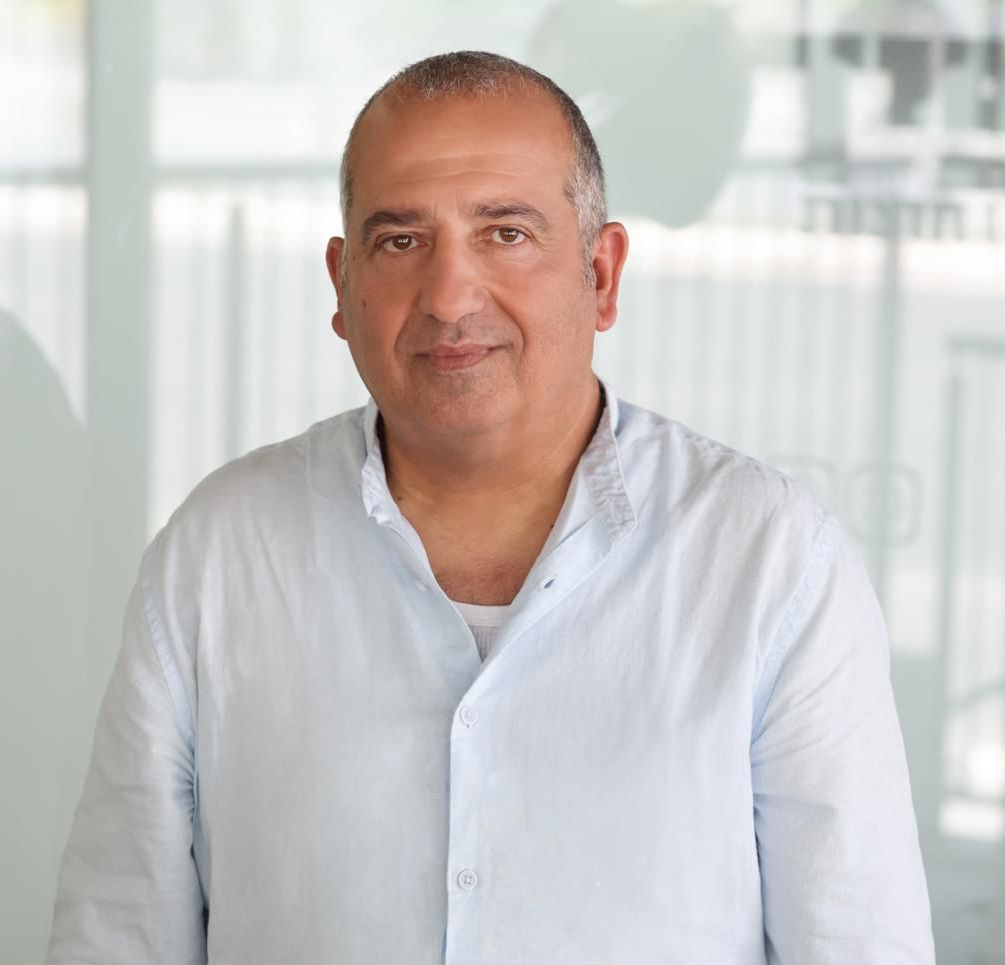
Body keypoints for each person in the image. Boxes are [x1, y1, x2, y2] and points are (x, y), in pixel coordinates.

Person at [46, 51, 935, 964]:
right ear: (342, 287)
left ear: (601, 273)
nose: (449, 297)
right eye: (401, 241)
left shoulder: (773, 566)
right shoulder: (218, 557)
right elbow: (116, 937)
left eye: (505, 233)